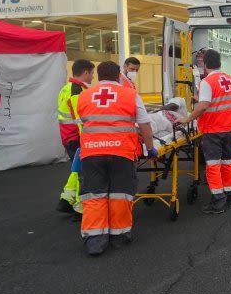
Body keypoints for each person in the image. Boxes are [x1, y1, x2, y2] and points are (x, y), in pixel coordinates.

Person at [77, 61, 156, 256]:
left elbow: (82, 124)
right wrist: (150, 148)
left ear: (99, 76)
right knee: (120, 194)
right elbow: (144, 125)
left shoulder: (84, 96)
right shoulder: (130, 95)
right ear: (118, 75)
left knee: (94, 195)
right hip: (121, 152)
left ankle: (95, 240)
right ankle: (119, 235)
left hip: (92, 153)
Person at [177, 49, 231, 214]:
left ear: (205, 64)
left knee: (213, 165)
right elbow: (218, 100)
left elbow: (205, 105)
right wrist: (201, 100)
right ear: (220, 63)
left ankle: (218, 201)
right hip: (229, 128)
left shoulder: (206, 82)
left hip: (213, 129)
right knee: (229, 163)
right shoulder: (228, 79)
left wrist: (188, 118)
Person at [56, 59, 95, 216]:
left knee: (77, 169)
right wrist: (88, 139)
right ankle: (80, 207)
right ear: (85, 72)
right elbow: (80, 119)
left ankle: (66, 199)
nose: (93, 77)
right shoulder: (76, 91)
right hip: (77, 137)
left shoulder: (66, 88)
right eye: (92, 73)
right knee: (84, 172)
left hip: (68, 136)